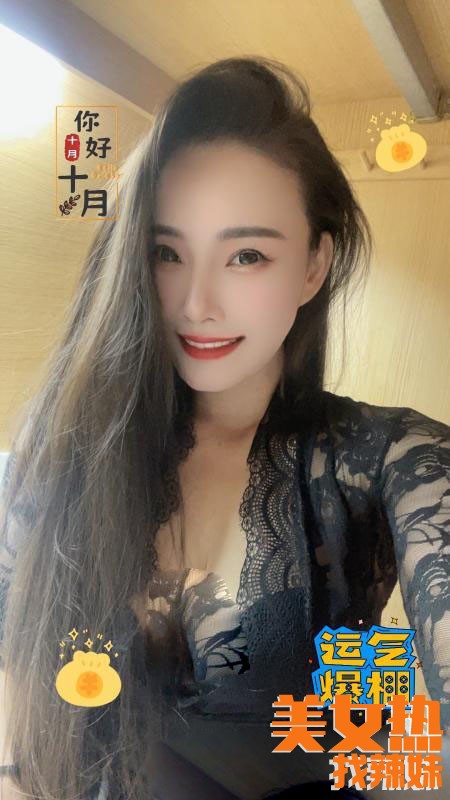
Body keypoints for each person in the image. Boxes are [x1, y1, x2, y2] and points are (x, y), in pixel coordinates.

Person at [0, 55, 448, 800]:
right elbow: (13, 684)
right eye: (166, 252)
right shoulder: (59, 453)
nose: (196, 304)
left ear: (314, 264)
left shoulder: (396, 461)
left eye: (246, 254)